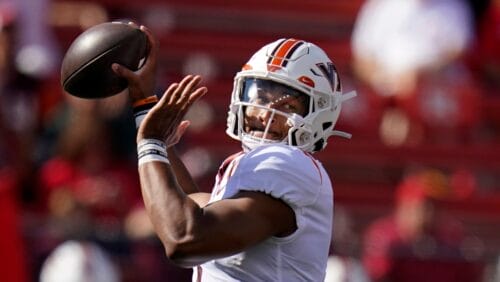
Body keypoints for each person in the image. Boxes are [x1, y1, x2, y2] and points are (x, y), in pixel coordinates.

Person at [111, 23, 355, 281]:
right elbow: (187, 201)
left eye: (288, 105)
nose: (264, 112)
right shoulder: (257, 168)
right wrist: (145, 108)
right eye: (259, 97)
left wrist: (151, 142)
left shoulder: (291, 164)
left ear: (320, 114)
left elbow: (183, 238)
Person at [361, 168, 484, 282]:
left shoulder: (452, 237)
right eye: (424, 206)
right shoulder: (384, 235)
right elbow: (377, 275)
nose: (429, 212)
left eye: (435, 206)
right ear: (405, 207)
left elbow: (468, 275)